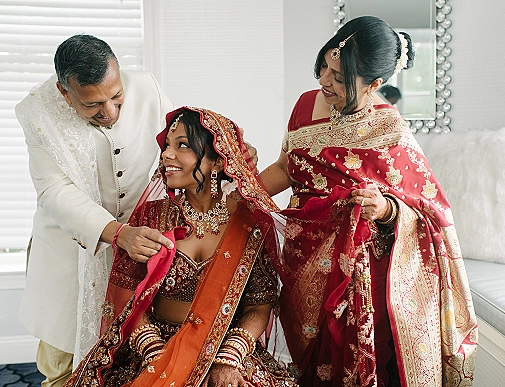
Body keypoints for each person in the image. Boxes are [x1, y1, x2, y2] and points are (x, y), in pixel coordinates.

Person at [258, 16, 478, 386]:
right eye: (324, 67)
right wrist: (238, 196)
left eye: (340, 78)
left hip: (361, 272)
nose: (324, 82)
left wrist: (386, 208)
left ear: (374, 84)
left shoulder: (389, 129)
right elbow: (286, 167)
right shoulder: (304, 105)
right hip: (303, 257)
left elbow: (431, 210)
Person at [64, 107, 296, 387]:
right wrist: (158, 356)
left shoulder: (249, 224)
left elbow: (259, 307)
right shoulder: (151, 218)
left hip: (224, 347)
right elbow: (124, 295)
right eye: (167, 146)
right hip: (154, 344)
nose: (166, 155)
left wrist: (229, 357)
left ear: (217, 162)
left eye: (182, 145)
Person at [15, 34, 177, 386]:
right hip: (68, 252)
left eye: (117, 97)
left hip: (139, 251)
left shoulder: (146, 86)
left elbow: (183, 141)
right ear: (64, 92)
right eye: (93, 106)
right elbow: (55, 191)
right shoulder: (37, 113)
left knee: (132, 360)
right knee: (63, 363)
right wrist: (118, 234)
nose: (111, 112)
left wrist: (229, 151)